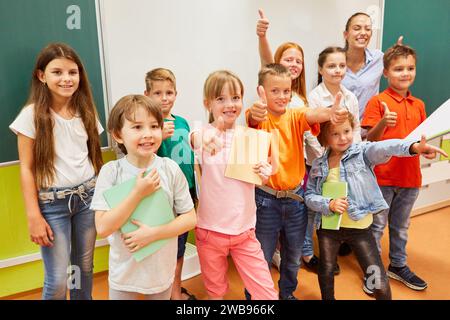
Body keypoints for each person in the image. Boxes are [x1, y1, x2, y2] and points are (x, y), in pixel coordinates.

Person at [305, 113, 446, 300]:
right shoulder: (318, 165)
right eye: (335, 134)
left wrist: (412, 147)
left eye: (346, 131)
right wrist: (328, 204)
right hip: (329, 230)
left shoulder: (362, 152)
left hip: (360, 229)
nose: (343, 137)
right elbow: (309, 196)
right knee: (327, 270)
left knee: (375, 276)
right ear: (324, 137)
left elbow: (385, 147)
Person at [9, 42, 104, 300]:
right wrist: (33, 216)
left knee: (83, 269)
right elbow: (26, 169)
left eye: (73, 72)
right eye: (57, 72)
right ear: (42, 76)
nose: (67, 79)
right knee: (58, 278)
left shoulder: (86, 110)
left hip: (88, 199)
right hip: (53, 205)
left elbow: (95, 157)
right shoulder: (31, 116)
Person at [246, 63, 348, 299]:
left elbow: (314, 114)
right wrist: (255, 112)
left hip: (295, 200)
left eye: (286, 91)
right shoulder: (258, 115)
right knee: (260, 256)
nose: (282, 96)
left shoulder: (295, 115)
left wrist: (330, 113)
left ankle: (287, 294)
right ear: (262, 90)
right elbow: (252, 117)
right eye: (275, 91)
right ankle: (255, 298)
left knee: (292, 257)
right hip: (265, 200)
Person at [91, 95, 196, 300]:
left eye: (154, 126)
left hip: (161, 271)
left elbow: (190, 218)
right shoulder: (111, 172)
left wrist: (153, 234)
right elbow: (103, 228)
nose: (148, 134)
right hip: (124, 274)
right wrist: (137, 193)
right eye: (137, 127)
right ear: (118, 134)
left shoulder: (170, 169)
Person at [190, 70, 278, 300]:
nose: (230, 104)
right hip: (210, 232)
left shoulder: (249, 137)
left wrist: (265, 173)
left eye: (236, 98)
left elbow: (260, 178)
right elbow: (193, 138)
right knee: (215, 291)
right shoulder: (204, 132)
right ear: (207, 103)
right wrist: (202, 139)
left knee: (266, 293)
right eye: (221, 99)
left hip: (245, 232)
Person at [256, 8, 322, 271]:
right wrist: (262, 37)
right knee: (274, 217)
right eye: (288, 59)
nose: (294, 64)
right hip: (271, 174)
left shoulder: (302, 99)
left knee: (296, 216)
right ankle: (274, 255)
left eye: (299, 60)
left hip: (300, 166)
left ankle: (295, 254)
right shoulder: (272, 93)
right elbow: (266, 63)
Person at [362, 44, 429, 293]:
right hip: (382, 178)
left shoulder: (419, 104)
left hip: (410, 178)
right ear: (386, 72)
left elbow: (420, 141)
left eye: (410, 68)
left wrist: (428, 149)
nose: (405, 73)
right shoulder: (378, 102)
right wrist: (382, 122)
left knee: (401, 227)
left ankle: (398, 265)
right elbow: (370, 140)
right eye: (398, 69)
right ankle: (373, 271)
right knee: (376, 227)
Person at [339, 11, 403, 257]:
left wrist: (395, 52)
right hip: (343, 134)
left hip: (372, 131)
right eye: (357, 28)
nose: (363, 32)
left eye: (367, 28)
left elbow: (394, 63)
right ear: (346, 34)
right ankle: (340, 237)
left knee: (363, 186)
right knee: (342, 185)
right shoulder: (337, 60)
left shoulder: (378, 59)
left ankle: (357, 237)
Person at [303, 46, 363, 273]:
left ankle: (340, 240)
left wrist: (352, 158)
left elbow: (355, 129)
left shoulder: (350, 96)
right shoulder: (315, 97)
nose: (337, 70)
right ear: (321, 69)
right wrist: (328, 159)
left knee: (340, 202)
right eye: (331, 66)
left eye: (341, 65)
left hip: (345, 162)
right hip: (321, 162)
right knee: (317, 209)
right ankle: (314, 253)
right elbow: (311, 133)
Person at [144, 68, 197, 300]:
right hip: (161, 197)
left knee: (179, 247)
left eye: (169, 92)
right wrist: (157, 136)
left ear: (176, 94)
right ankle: (161, 291)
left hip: (186, 193)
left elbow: (191, 159)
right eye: (157, 93)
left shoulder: (183, 122)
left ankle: (175, 290)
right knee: (161, 249)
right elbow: (140, 157)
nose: (164, 98)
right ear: (147, 94)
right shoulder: (147, 126)